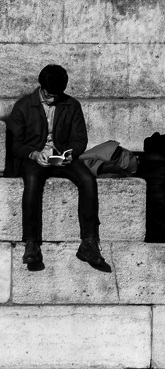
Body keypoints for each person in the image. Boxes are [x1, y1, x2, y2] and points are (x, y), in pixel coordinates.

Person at [5, 64, 111, 273]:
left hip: (62, 158)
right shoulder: (23, 106)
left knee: (88, 180)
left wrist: (70, 153)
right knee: (32, 183)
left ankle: (89, 242)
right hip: (34, 159)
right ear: (41, 87)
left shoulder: (72, 105)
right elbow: (15, 144)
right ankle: (32, 243)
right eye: (49, 95)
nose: (53, 99)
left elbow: (80, 138)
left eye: (58, 94)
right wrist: (35, 154)